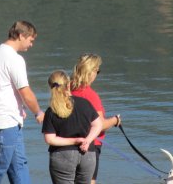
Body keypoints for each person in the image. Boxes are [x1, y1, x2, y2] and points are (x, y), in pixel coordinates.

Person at [0, 21, 45, 184]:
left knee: (18, 166)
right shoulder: (13, 58)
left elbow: (2, 87)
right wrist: (38, 112)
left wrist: (19, 107)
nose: (31, 44)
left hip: (8, 118)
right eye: (31, 40)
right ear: (21, 35)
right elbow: (25, 92)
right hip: (3, 121)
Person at [42, 70, 103, 184]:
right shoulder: (85, 103)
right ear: (69, 84)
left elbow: (49, 139)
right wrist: (87, 140)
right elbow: (98, 124)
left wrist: (74, 141)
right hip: (87, 154)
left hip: (62, 156)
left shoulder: (51, 111)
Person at [70, 53, 121, 184]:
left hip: (68, 142)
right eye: (97, 71)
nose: (97, 74)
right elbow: (101, 125)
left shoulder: (67, 89)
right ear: (91, 71)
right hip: (91, 145)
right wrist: (115, 120)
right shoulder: (91, 95)